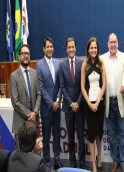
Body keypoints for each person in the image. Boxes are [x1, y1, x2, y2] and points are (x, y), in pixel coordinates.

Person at [101, 33, 124, 172]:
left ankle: (123, 161)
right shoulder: (102, 59)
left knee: (123, 134)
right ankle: (114, 160)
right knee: (111, 135)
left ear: (118, 43)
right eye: (110, 42)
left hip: (121, 102)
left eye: (115, 42)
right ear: (108, 44)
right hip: (108, 104)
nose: (113, 44)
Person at [36, 37, 63, 170]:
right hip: (47, 109)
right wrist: (51, 103)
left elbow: (60, 85)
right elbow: (41, 88)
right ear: (43, 49)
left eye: (51, 46)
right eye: (47, 46)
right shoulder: (39, 65)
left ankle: (57, 161)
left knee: (57, 137)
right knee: (46, 140)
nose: (50, 49)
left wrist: (57, 101)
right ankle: (47, 164)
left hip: (57, 108)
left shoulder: (58, 63)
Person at [59, 37, 85, 168]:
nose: (71, 49)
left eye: (72, 47)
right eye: (68, 47)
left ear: (75, 47)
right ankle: (72, 164)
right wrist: (71, 104)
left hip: (80, 107)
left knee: (81, 136)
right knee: (70, 137)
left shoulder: (82, 63)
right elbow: (62, 87)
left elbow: (83, 85)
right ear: (66, 48)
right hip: (69, 108)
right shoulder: (62, 65)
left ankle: (82, 163)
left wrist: (78, 103)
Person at [81, 37, 106, 172]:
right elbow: (82, 87)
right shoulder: (85, 65)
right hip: (89, 105)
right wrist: (90, 104)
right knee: (91, 134)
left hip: (99, 104)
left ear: (97, 49)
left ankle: (100, 159)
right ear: (88, 49)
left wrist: (97, 102)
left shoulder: (101, 63)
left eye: (95, 47)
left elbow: (104, 84)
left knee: (98, 134)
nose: (93, 50)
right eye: (91, 48)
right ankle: (94, 165)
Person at [9, 44, 41, 149]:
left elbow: (39, 94)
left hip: (34, 123)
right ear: (19, 56)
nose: (26, 56)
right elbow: (15, 102)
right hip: (20, 124)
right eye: (23, 53)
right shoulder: (13, 76)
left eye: (27, 53)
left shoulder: (34, 73)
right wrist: (30, 115)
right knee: (20, 157)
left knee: (35, 155)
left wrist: (35, 113)